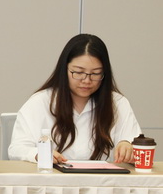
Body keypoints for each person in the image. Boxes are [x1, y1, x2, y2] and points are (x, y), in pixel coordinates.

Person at [8, 33, 140, 164]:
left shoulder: (117, 103)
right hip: (53, 176)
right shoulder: (40, 102)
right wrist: (39, 153)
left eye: (95, 73)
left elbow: (138, 147)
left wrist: (128, 146)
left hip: (101, 178)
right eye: (78, 72)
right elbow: (17, 149)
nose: (86, 80)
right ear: (64, 69)